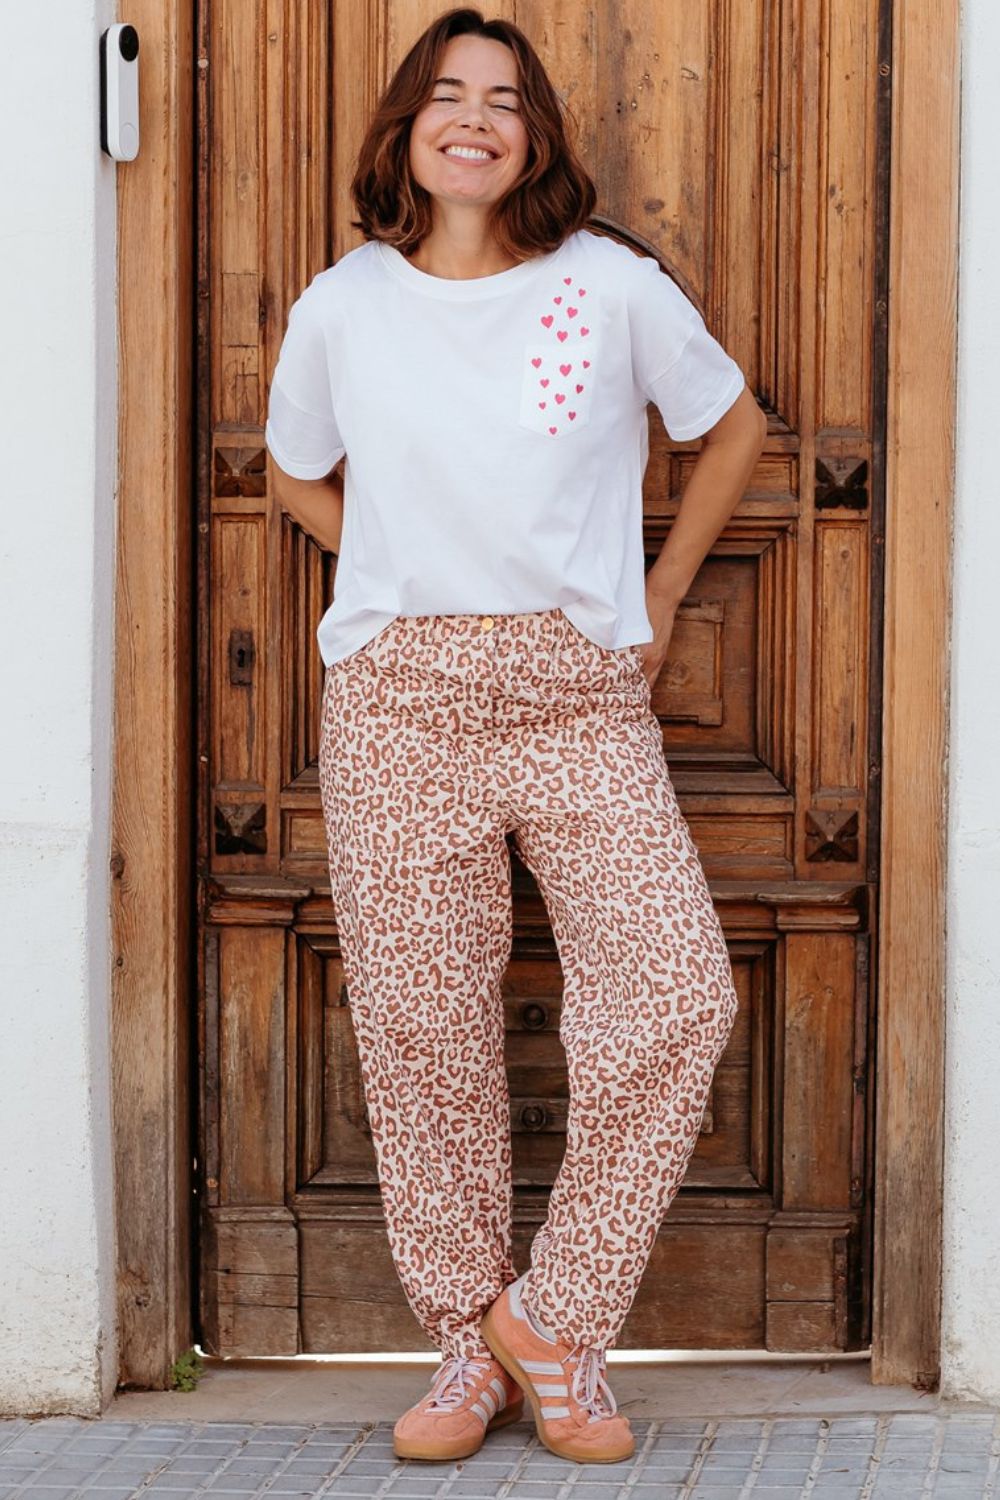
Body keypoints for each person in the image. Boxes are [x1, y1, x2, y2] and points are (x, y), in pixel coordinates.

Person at [264, 5, 767, 1469]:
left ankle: (556, 1322)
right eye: (444, 95)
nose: (472, 118)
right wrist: (392, 569)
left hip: (579, 691)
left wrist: (662, 591)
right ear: (405, 131)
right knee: (424, 1030)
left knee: (677, 996)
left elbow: (732, 424)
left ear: (534, 132)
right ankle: (463, 1351)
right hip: (400, 693)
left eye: (502, 98)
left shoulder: (607, 288)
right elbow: (296, 470)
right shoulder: (343, 303)